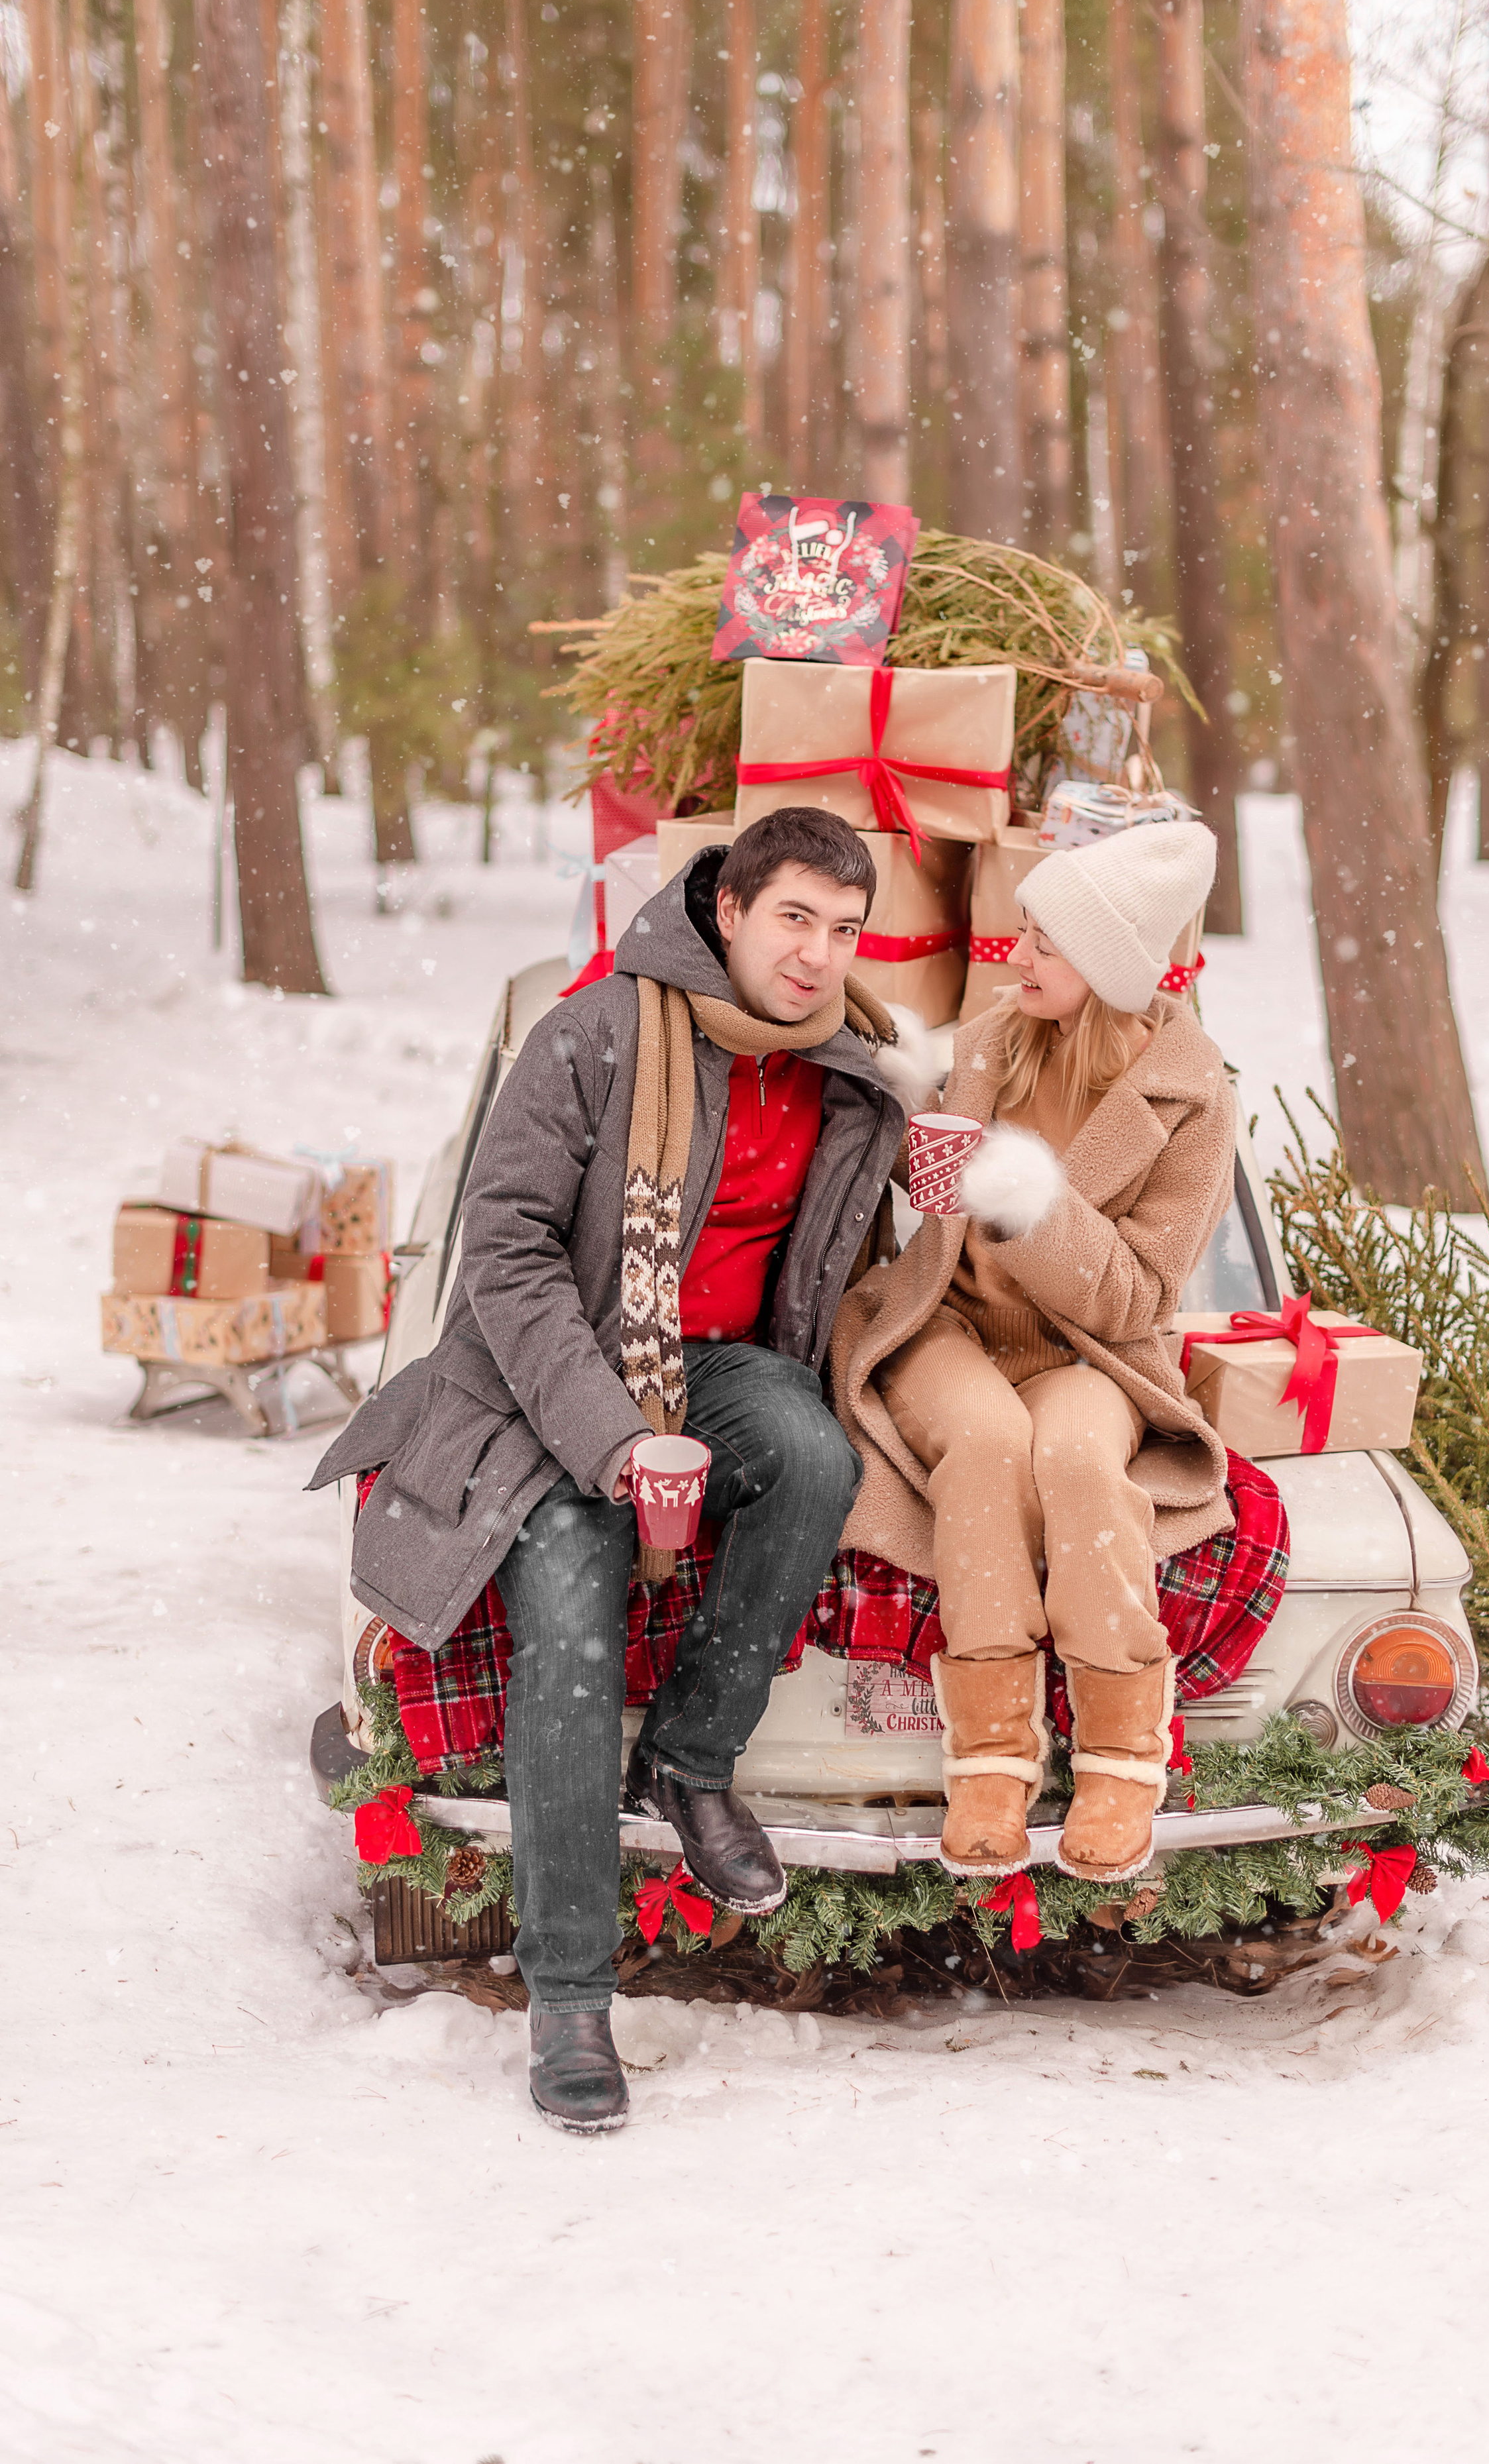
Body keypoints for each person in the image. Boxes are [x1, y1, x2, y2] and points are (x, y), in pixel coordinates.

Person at [311, 807, 909, 2134]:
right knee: (572, 1623)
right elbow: (508, 1249)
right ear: (729, 912)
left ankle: (692, 1764)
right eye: (793, 918)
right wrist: (614, 1439)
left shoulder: (848, 1067)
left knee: (813, 1459)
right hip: (552, 1377)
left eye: (843, 927)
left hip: (717, 1363)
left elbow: (851, 1259)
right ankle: (571, 1997)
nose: (816, 954)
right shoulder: (592, 1034)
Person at [829, 819, 1236, 1885]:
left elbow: (1139, 1291)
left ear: (1107, 966)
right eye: (1023, 930)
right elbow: (931, 1211)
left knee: (1074, 1461)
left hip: (1089, 1349)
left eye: (1047, 942)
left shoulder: (1194, 1099)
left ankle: (1119, 1758)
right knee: (986, 1436)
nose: (1018, 954)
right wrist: (914, 1109)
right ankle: (994, 1757)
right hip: (950, 1323)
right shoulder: (994, 1038)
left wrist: (1036, 1205)